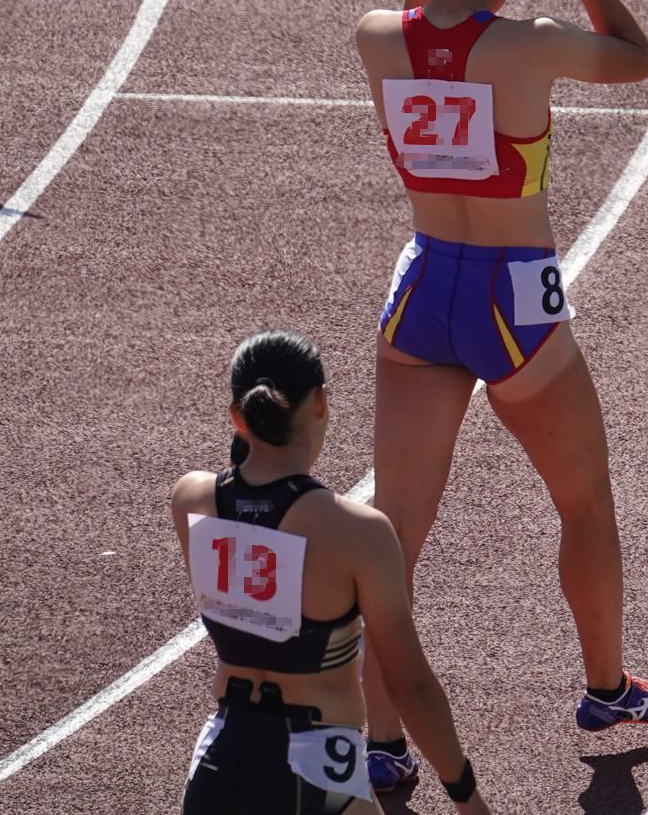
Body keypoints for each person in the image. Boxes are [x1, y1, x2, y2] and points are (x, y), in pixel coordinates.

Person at [354, 0, 648, 792]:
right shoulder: (530, 47)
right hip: (514, 297)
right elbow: (637, 56)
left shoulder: (378, 39)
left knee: (394, 535)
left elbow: (425, 7)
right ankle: (608, 686)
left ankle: (381, 744)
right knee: (584, 501)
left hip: (420, 294)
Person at [172, 330, 490, 813]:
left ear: (238, 416)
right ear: (320, 403)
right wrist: (466, 797)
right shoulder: (356, 532)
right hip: (316, 771)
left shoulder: (192, 500)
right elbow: (410, 684)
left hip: (217, 764)